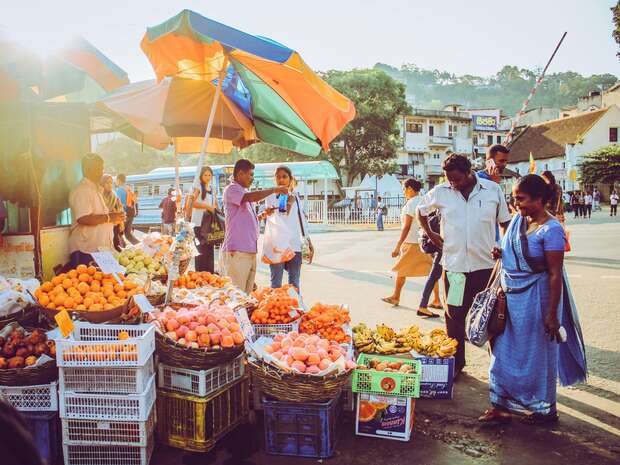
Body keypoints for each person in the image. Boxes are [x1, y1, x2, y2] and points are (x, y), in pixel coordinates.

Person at [479, 175, 587, 425]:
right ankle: (501, 406)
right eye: (515, 198)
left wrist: (552, 315)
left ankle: (543, 410)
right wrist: (501, 252)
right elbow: (511, 250)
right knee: (502, 353)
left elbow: (554, 273)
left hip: (537, 300)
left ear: (540, 199)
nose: (516, 204)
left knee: (536, 357)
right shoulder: (518, 220)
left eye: (521, 199)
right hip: (510, 299)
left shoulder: (552, 230)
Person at [417, 154, 512, 377]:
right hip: (455, 269)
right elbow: (420, 211)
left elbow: (506, 222)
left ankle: (497, 367)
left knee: (489, 318)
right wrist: (431, 234)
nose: (454, 184)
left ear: (469, 172)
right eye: (450, 180)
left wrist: (503, 247)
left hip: (486, 269)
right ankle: (457, 364)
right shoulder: (442, 192)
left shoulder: (491, 190)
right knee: (454, 317)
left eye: (457, 179)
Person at [220, 159, 288, 294]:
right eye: (250, 175)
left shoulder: (243, 192)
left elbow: (245, 219)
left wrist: (263, 215)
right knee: (236, 294)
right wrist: (274, 189)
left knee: (246, 294)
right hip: (237, 250)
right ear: (240, 174)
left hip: (249, 250)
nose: (252, 178)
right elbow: (251, 197)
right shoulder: (232, 189)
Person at [382, 178, 434, 315]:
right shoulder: (424, 200)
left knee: (401, 270)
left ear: (410, 188)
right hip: (424, 241)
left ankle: (396, 296)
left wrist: (398, 245)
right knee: (431, 271)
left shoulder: (411, 204)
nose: (404, 192)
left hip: (411, 241)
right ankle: (437, 300)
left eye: (404, 189)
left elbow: (406, 226)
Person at [68, 154, 124, 267]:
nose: (102, 172)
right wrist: (109, 217)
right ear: (87, 169)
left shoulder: (95, 188)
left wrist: (114, 219)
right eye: (99, 168)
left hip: (101, 249)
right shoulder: (83, 190)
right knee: (93, 283)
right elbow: (83, 218)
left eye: (102, 168)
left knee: (111, 281)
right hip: (86, 250)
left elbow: (98, 216)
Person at [264, 165, 314, 290]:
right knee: (276, 284)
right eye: (278, 177)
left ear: (290, 179)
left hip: (294, 245)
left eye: (284, 177)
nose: (281, 180)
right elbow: (282, 214)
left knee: (294, 284)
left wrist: (308, 240)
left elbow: (301, 219)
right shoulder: (270, 197)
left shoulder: (295, 196)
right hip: (277, 245)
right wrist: (288, 202)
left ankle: (295, 308)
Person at [190, 167, 218, 273]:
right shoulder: (198, 188)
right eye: (205, 175)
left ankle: (209, 273)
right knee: (200, 250)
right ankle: (200, 274)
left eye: (209, 175)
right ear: (201, 176)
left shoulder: (212, 189)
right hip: (198, 223)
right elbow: (193, 203)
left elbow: (214, 205)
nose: (207, 177)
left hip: (209, 223)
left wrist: (215, 209)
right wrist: (207, 207)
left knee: (209, 249)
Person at [417, 210, 443, 316]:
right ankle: (423, 306)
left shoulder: (440, 206)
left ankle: (427, 304)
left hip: (440, 246)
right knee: (434, 276)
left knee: (434, 276)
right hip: (444, 247)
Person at [101, 174, 126, 252]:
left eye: (111, 183)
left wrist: (121, 223)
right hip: (101, 226)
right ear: (102, 184)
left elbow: (120, 209)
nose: (110, 185)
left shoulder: (114, 196)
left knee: (115, 244)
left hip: (114, 225)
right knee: (103, 247)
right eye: (107, 183)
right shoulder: (98, 196)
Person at [115, 174, 139, 244]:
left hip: (125, 214)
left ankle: (121, 250)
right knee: (128, 234)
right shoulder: (129, 189)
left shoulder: (120, 190)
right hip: (131, 213)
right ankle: (140, 246)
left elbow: (120, 204)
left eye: (116, 180)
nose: (116, 182)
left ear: (119, 180)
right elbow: (135, 202)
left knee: (118, 233)